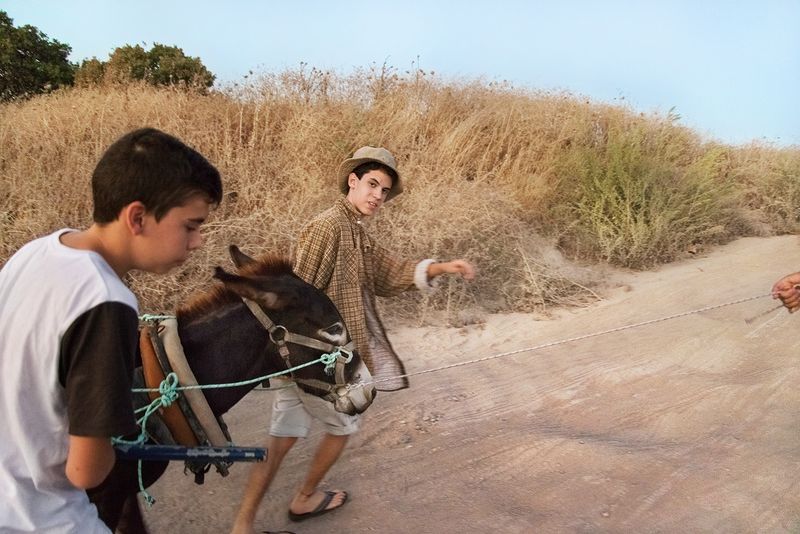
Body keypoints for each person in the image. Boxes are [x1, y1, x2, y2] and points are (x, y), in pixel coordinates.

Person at [232, 146, 475, 533]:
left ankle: (243, 524)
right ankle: (304, 497)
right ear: (353, 181)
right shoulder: (329, 226)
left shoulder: (355, 232)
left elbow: (389, 272)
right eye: (373, 184)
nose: (378, 195)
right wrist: (293, 358)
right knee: (344, 427)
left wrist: (442, 267)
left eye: (384, 190)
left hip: (309, 360)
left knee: (280, 440)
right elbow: (299, 295)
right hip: (321, 363)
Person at [0, 127, 223, 533]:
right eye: (190, 226)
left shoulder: (35, 252)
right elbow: (87, 472)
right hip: (39, 516)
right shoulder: (106, 300)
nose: (197, 242)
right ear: (137, 217)